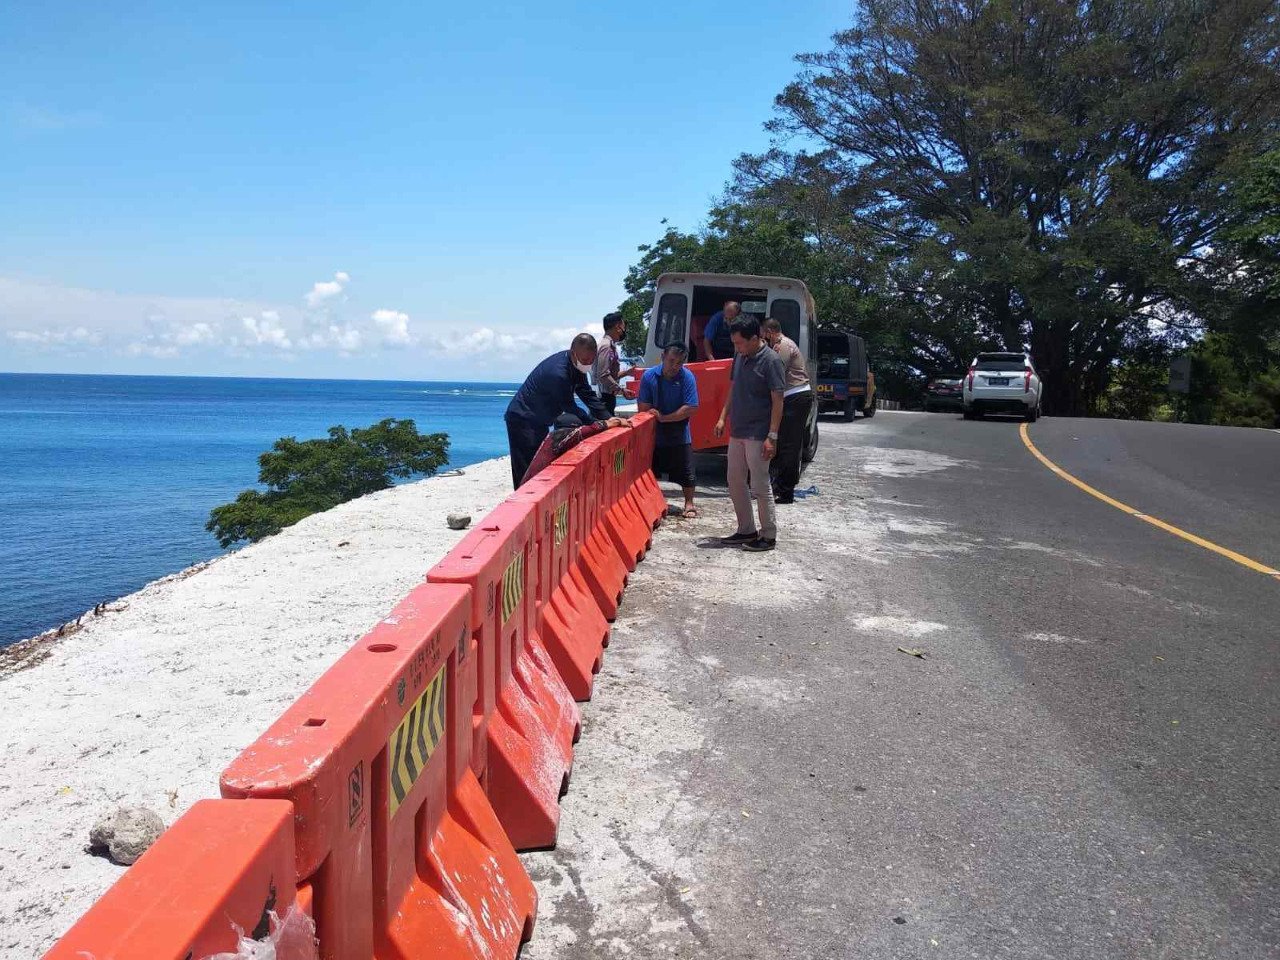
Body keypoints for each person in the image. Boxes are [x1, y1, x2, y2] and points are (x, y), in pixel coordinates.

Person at [714, 317, 784, 552]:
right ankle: (746, 529)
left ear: (755, 338)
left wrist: (772, 436)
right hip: (738, 430)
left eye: (740, 343)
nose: (737, 348)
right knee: (734, 480)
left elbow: (778, 400)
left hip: (758, 432)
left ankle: (768, 535)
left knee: (760, 485)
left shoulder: (771, 361)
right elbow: (734, 388)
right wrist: (723, 417)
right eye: (734, 343)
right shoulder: (740, 356)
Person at [505, 333, 609, 489]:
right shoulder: (558, 372)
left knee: (539, 466)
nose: (588, 364)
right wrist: (598, 424)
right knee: (526, 471)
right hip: (522, 419)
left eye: (591, 361)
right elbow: (569, 406)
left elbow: (586, 393)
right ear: (574, 353)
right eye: (585, 360)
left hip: (539, 421)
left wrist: (608, 418)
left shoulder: (576, 366)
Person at [637, 343, 700, 518]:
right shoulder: (649, 376)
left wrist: (664, 417)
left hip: (679, 429)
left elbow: (692, 407)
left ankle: (689, 503)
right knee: (649, 471)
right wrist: (653, 416)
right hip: (653, 432)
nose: (674, 366)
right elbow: (643, 407)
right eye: (671, 361)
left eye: (679, 363)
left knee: (687, 471)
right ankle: (650, 503)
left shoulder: (687, 377)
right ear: (663, 356)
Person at [761, 317, 813, 504]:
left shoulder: (782, 347)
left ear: (770, 332)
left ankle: (786, 490)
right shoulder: (781, 345)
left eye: (764, 336)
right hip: (793, 396)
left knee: (789, 446)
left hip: (795, 397)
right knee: (783, 444)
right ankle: (780, 485)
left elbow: (776, 375)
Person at [521, 412, 631, 485]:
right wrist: (616, 421)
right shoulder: (563, 434)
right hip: (534, 487)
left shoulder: (552, 436)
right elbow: (593, 429)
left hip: (529, 484)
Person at [593, 311, 633, 415]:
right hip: (605, 399)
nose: (624, 330)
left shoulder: (608, 345)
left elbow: (610, 374)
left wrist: (627, 372)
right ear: (618, 326)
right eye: (623, 326)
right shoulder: (606, 347)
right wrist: (622, 390)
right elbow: (603, 375)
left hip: (606, 397)